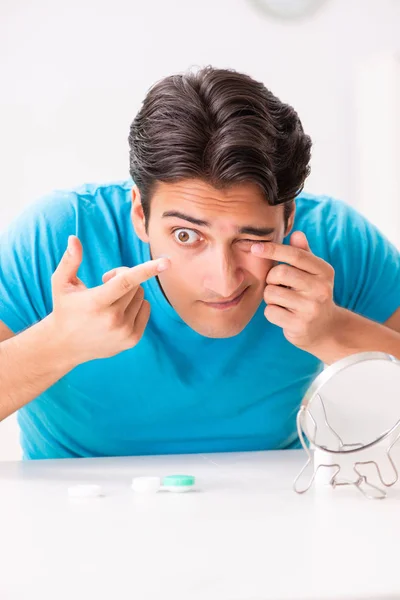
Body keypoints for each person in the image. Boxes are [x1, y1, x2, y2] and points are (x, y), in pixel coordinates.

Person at [0, 67, 399, 460]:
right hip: (69, 510)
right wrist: (57, 344)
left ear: (289, 217)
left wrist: (332, 331)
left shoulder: (336, 239)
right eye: (187, 236)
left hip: (280, 507)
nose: (224, 281)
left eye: (252, 238)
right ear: (140, 214)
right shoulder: (56, 235)